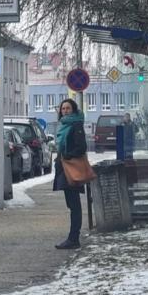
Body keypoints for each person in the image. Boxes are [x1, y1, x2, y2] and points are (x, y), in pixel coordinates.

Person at [53, 98, 87, 249]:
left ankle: (74, 238)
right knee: (71, 204)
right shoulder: (63, 125)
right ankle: (73, 237)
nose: (65, 111)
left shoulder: (76, 125)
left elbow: (81, 147)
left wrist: (67, 156)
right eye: (63, 109)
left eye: (68, 108)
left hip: (72, 168)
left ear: (73, 110)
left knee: (74, 205)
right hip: (65, 168)